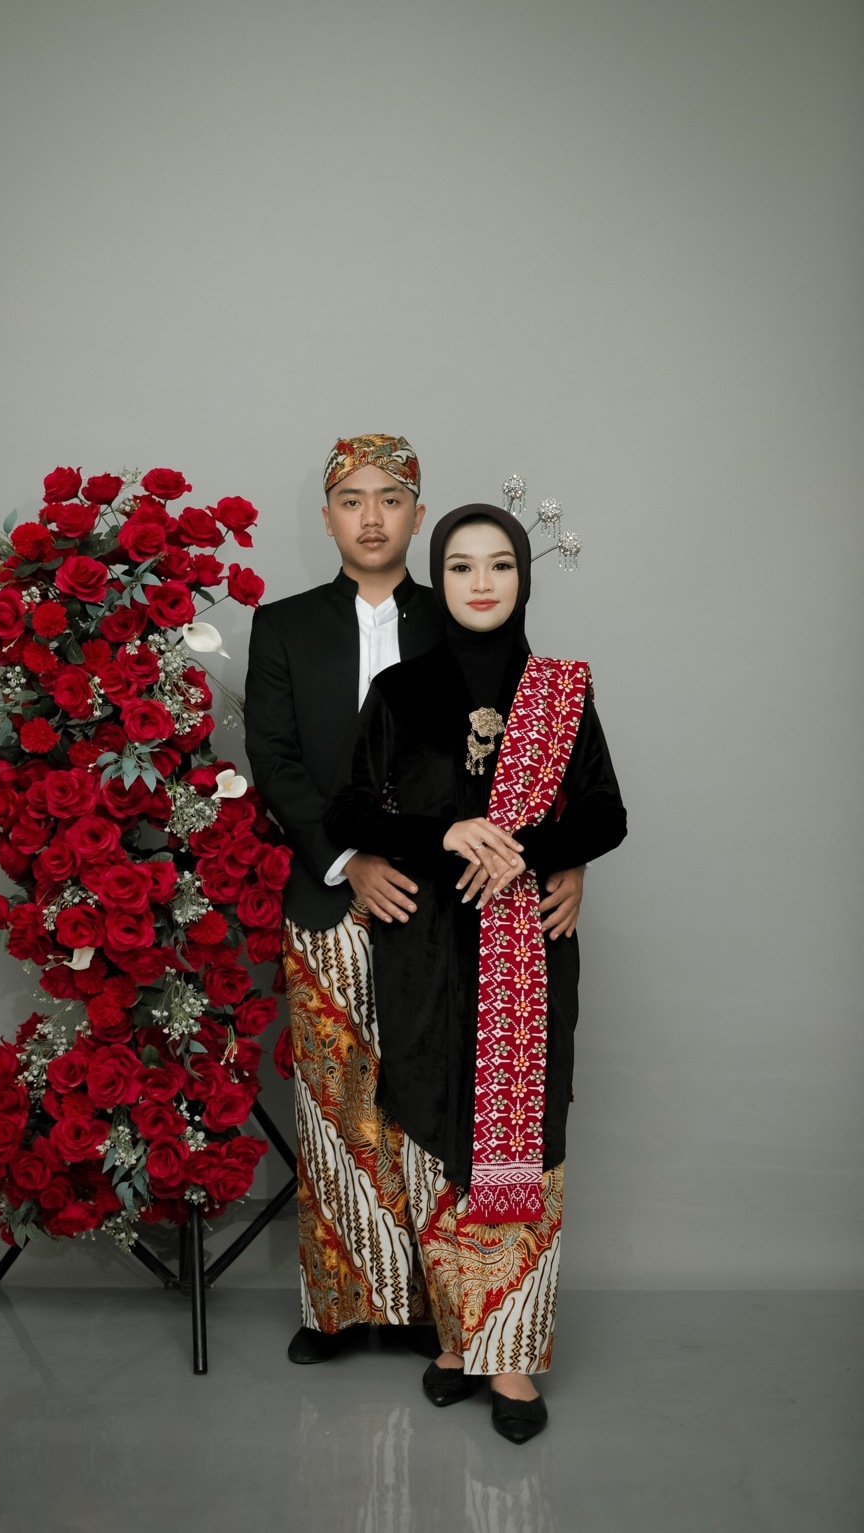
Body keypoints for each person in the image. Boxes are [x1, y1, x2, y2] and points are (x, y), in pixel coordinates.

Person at [244, 440, 587, 1365]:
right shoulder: (283, 626)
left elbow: (536, 750)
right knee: (339, 1107)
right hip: (332, 893)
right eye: (350, 499)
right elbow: (275, 759)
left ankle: (449, 1317)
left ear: (418, 513)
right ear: (327, 516)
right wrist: (348, 858)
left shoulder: (465, 605)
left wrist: (569, 860)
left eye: (391, 498)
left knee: (439, 1095)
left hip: (453, 904)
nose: (371, 516)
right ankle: (343, 1308)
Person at [324, 503, 627, 1442]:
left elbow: (606, 812)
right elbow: (349, 810)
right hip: (422, 951)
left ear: (524, 577)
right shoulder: (400, 690)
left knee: (521, 1132)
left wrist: (531, 851)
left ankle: (514, 1358)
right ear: (440, 577)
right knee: (429, 1121)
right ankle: (458, 1339)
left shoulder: (561, 691)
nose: (482, 582)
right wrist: (445, 832)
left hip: (527, 945)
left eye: (500, 564)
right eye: (461, 565)